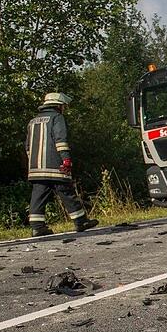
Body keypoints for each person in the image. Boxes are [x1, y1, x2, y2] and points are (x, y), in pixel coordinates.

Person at [26, 92, 98, 237]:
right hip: (54, 165)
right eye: (63, 106)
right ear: (58, 106)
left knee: (38, 196)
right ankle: (81, 221)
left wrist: (33, 163)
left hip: (35, 168)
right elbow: (60, 140)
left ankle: (37, 227)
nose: (64, 108)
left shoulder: (32, 121)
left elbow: (28, 146)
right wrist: (66, 159)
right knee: (66, 191)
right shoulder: (57, 118)